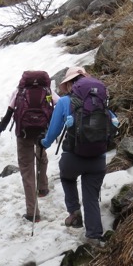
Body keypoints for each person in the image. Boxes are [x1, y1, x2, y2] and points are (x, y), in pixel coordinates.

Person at [39, 66, 107, 244]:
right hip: (98, 158)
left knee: (67, 178)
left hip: (74, 157)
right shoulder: (101, 99)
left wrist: (44, 143)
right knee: (91, 196)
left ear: (69, 84)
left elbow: (53, 131)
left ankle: (74, 213)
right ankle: (94, 236)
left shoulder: (64, 102)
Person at [0, 71, 59, 222]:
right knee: (41, 155)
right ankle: (43, 188)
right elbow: (59, 104)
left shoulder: (19, 91)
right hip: (42, 131)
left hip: (24, 133)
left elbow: (10, 110)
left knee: (27, 170)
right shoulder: (48, 91)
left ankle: (33, 212)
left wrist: (2, 125)